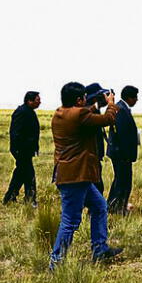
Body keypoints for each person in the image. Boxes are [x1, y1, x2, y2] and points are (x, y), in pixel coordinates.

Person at [49, 82, 122, 270]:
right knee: (70, 221)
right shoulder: (80, 115)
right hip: (76, 176)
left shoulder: (59, 113)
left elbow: (83, 114)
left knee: (99, 206)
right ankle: (56, 263)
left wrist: (96, 104)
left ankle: (100, 248)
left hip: (70, 175)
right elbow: (108, 119)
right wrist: (112, 103)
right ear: (79, 99)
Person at [3, 91, 41, 206]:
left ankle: (11, 197)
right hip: (21, 150)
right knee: (29, 174)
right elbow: (15, 133)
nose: (40, 102)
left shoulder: (29, 112)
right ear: (29, 101)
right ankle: (30, 199)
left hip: (26, 150)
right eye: (37, 100)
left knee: (21, 173)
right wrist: (17, 149)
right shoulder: (22, 112)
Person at [107, 85, 139, 214]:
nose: (137, 100)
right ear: (129, 98)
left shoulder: (122, 108)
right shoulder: (121, 109)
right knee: (123, 182)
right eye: (135, 97)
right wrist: (125, 155)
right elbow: (121, 134)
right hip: (121, 154)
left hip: (121, 154)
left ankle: (116, 206)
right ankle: (117, 207)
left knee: (121, 180)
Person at [85, 83, 110, 195]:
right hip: (90, 156)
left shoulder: (93, 109)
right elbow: (108, 119)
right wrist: (111, 104)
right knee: (96, 186)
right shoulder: (86, 112)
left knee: (97, 185)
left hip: (95, 155)